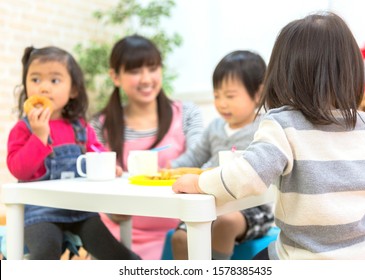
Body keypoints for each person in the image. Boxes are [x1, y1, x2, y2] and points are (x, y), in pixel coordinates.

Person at [172, 12, 365, 260]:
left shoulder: (283, 124)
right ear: (351, 71)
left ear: (284, 73)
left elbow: (247, 176)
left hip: (309, 259)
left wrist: (199, 183)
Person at [7, 46, 140, 260]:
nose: (43, 88)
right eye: (35, 80)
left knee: (119, 255)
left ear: (73, 90)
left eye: (55, 80)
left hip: (81, 208)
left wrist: (108, 165)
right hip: (40, 212)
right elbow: (19, 169)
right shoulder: (23, 129)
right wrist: (39, 136)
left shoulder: (79, 127)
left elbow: (96, 150)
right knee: (46, 251)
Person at [90, 34, 204, 260]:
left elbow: (201, 159)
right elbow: (95, 184)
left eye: (152, 68)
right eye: (134, 71)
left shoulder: (187, 114)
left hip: (179, 233)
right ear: (115, 76)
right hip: (117, 233)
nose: (146, 79)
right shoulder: (100, 125)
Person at [169, 50, 274, 260]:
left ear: (258, 93)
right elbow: (194, 158)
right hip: (210, 203)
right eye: (217, 95)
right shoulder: (215, 127)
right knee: (179, 238)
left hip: (251, 208)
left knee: (226, 222)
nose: (222, 103)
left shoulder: (266, 127)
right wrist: (167, 169)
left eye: (230, 96)